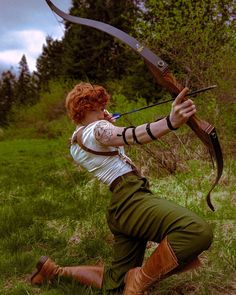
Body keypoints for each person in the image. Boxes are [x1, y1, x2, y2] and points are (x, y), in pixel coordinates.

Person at [30, 82, 213, 294]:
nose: (103, 112)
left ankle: (54, 272)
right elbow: (132, 135)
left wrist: (108, 126)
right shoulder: (98, 129)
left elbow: (112, 139)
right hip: (130, 200)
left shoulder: (76, 142)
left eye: (102, 107)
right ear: (84, 109)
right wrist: (170, 122)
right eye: (97, 108)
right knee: (196, 231)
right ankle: (138, 280)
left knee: (115, 284)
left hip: (121, 208)